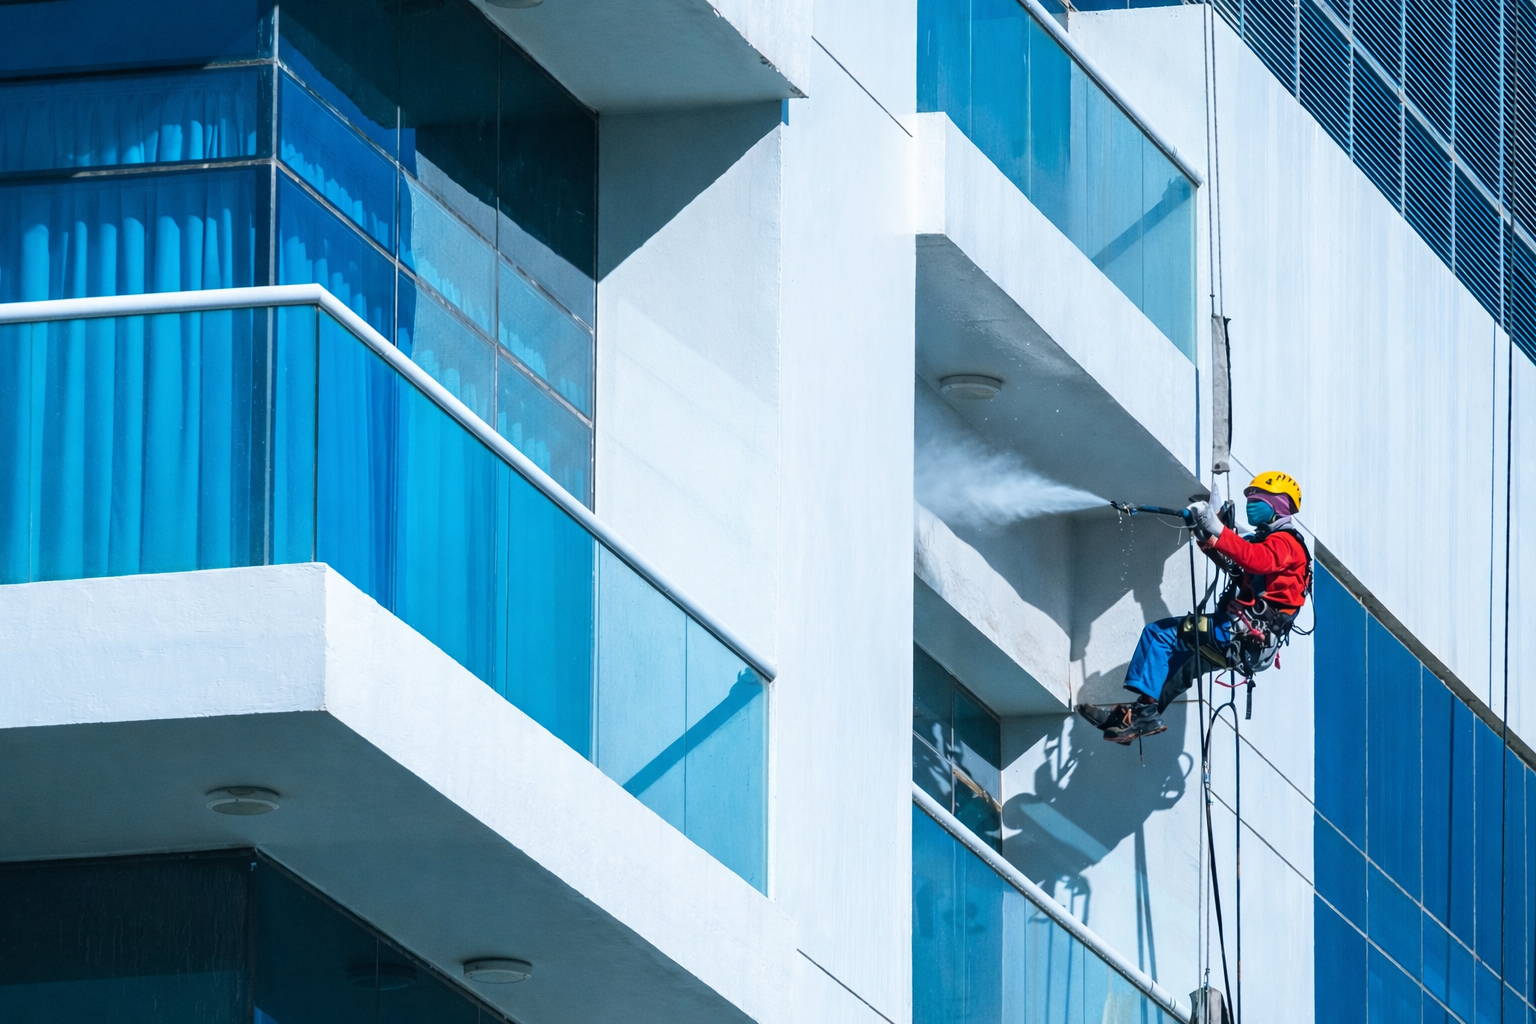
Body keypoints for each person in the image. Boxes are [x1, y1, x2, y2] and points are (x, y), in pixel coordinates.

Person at [1079, 471, 1312, 744]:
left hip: (1240, 634)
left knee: (1159, 634)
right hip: (1242, 643)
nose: (1251, 503)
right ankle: (1139, 716)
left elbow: (1253, 559)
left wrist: (1217, 529)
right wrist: (1208, 538)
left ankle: (1142, 715)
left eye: (1258, 498)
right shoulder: (1268, 543)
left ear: (1279, 503)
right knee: (1182, 666)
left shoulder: (1287, 543)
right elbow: (1240, 565)